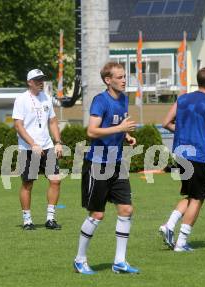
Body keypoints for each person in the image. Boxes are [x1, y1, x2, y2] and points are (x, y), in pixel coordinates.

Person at [73, 62, 139, 275]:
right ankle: (80, 259)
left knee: (126, 209)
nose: (123, 80)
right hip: (97, 164)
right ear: (107, 80)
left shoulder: (124, 99)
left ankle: (120, 262)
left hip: (117, 163)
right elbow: (91, 131)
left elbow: (118, 125)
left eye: (124, 76)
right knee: (97, 214)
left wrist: (126, 135)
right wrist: (120, 128)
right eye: (119, 77)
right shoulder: (100, 101)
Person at [159, 67, 205, 252]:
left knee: (190, 196)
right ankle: (181, 243)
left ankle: (169, 226)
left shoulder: (182, 99)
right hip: (197, 155)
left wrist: (181, 132)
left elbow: (165, 122)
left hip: (180, 153)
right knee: (198, 198)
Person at [12, 69, 63, 230]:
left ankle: (50, 218)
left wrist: (58, 142)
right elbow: (18, 125)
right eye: (37, 80)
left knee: (55, 180)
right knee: (28, 184)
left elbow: (53, 122)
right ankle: (27, 220)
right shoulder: (21, 99)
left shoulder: (47, 98)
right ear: (29, 82)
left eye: (42, 79)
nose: (40, 82)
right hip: (28, 148)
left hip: (47, 146)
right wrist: (33, 144)